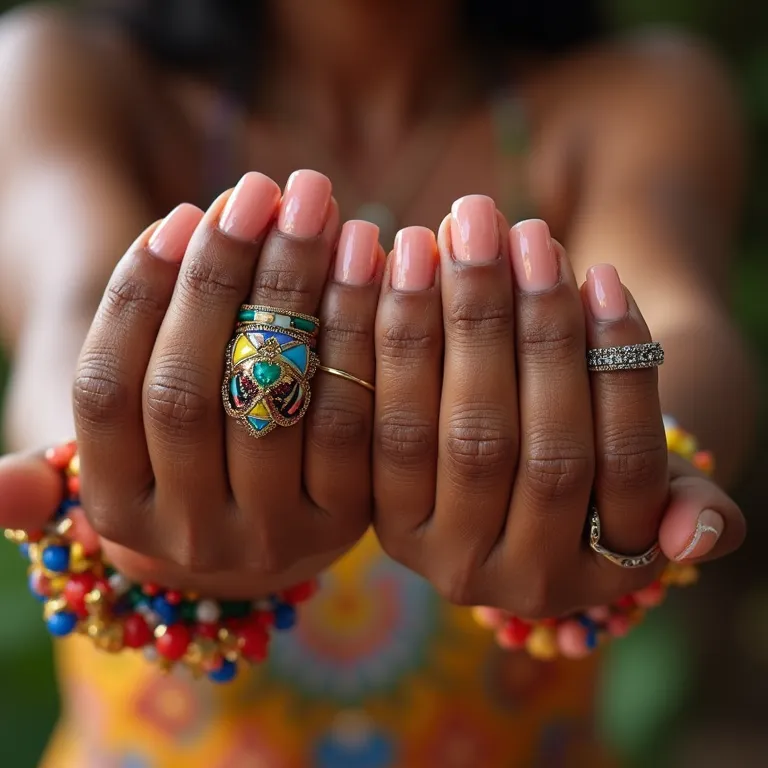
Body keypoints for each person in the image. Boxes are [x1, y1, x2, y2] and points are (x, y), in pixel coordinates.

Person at [0, 1, 756, 765]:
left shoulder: (637, 91)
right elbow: (71, 304)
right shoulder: (69, 71)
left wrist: (635, 461)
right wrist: (101, 450)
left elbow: (680, 319)